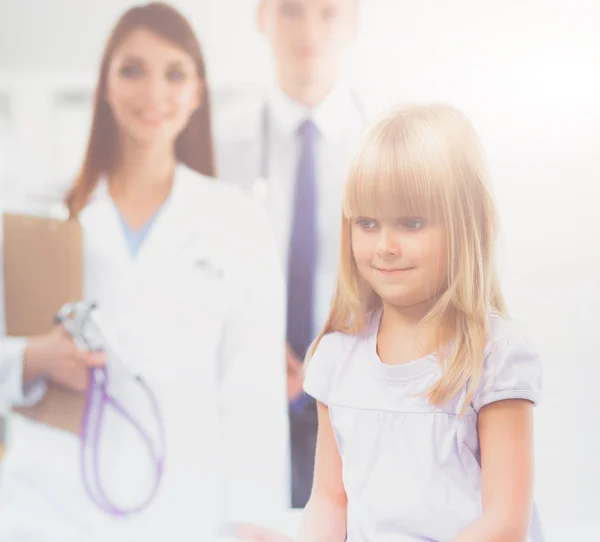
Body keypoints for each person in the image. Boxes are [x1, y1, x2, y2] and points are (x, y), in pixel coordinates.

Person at [0, 3, 290, 541]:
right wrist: (33, 358)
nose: (153, 93)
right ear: (105, 86)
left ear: (198, 93)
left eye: (175, 73)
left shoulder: (237, 222)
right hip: (47, 507)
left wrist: (258, 527)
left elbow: (252, 394)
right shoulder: (43, 212)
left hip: (185, 512)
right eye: (132, 69)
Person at [298, 104, 545, 541]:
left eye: (411, 223)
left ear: (468, 225)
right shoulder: (338, 358)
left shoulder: (494, 356)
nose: (385, 246)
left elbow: (506, 523)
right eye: (368, 223)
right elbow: (329, 499)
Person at [215, 0, 364, 509]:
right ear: (262, 17)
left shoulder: (383, 144)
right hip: (246, 393)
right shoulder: (217, 146)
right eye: (292, 9)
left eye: (327, 11)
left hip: (355, 399)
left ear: (353, 21)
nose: (309, 28)